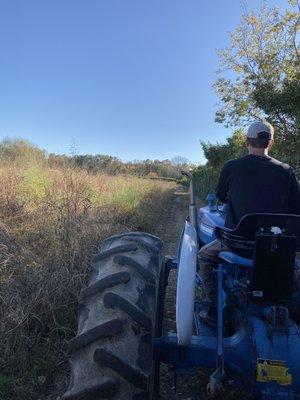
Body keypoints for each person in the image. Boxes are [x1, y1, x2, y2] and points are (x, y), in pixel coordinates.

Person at [199, 120, 300, 326]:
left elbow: (221, 195)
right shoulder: (286, 171)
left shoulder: (232, 167)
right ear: (270, 142)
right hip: (273, 247)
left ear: (247, 141)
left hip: (237, 244)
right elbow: (295, 210)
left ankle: (212, 309)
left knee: (204, 256)